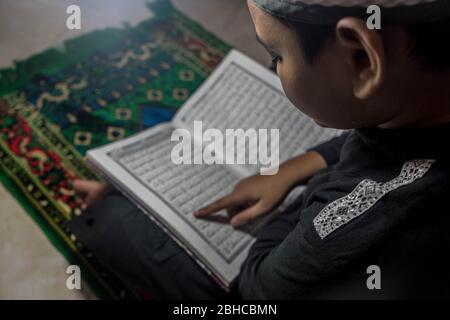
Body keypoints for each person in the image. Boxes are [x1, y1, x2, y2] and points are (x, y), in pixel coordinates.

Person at [72, 0, 450, 299]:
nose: (275, 68)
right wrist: (292, 168)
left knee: (110, 218)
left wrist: (295, 203)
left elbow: (255, 291)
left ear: (362, 60)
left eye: (277, 57)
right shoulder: (423, 105)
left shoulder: (354, 214)